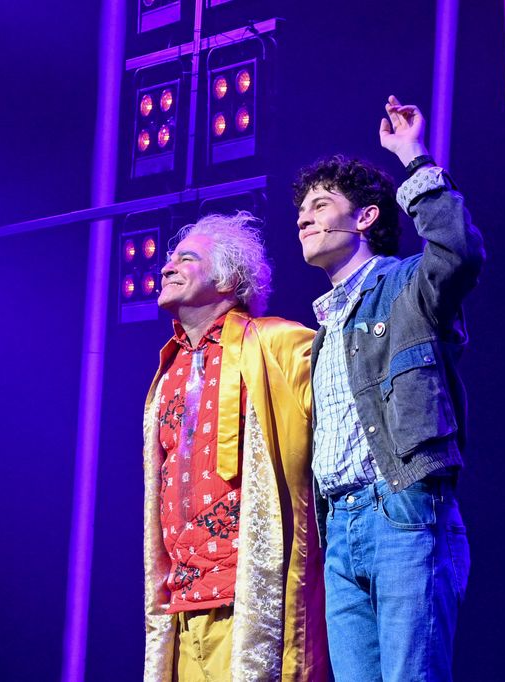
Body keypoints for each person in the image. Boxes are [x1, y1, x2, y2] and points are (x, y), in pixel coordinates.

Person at [293, 95, 485, 681]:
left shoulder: (405, 287)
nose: (303, 217)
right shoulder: (322, 332)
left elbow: (458, 252)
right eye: (300, 210)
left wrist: (413, 155)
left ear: (366, 218)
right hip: (341, 529)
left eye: (320, 205)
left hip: (401, 510)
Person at [141, 212, 328, 681]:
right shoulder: (167, 373)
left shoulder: (278, 342)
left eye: (186, 258)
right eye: (168, 259)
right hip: (182, 605)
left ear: (227, 278)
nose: (166, 268)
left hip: (245, 597)